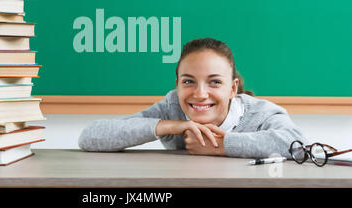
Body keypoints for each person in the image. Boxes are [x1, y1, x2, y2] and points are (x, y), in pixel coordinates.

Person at [78, 38, 308, 158]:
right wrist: (173, 125)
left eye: (215, 82)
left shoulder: (261, 113)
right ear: (177, 85)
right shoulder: (172, 107)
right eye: (188, 81)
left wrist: (221, 147)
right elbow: (90, 137)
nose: (199, 94)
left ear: (232, 88)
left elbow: (297, 146)